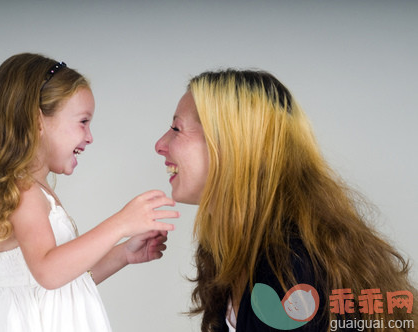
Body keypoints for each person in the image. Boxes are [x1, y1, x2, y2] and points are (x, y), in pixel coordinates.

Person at [155, 69, 417, 331]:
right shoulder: (232, 251)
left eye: (176, 129)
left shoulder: (292, 267)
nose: (160, 145)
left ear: (233, 145)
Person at [0, 52, 179, 332]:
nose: (90, 137)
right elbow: (49, 272)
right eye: (83, 121)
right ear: (37, 120)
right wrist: (121, 223)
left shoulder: (35, 190)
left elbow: (65, 280)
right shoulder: (24, 192)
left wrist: (124, 254)